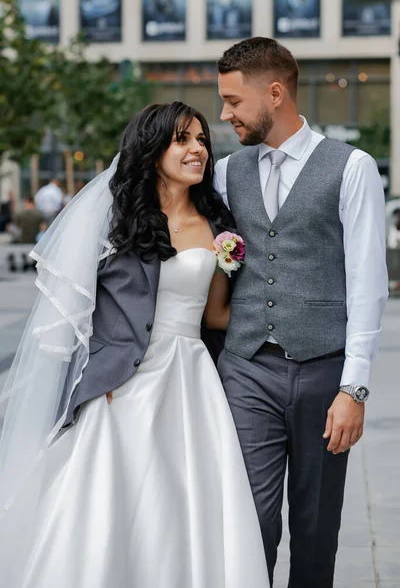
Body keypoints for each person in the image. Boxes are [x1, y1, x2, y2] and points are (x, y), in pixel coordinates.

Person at [0, 102, 269, 588]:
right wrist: (95, 371)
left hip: (192, 381)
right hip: (122, 386)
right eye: (182, 140)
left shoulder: (218, 226)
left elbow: (215, 317)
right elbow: (72, 317)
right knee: (119, 505)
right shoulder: (118, 222)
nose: (197, 150)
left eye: (202, 140)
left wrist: (281, 323)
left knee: (189, 502)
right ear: (153, 149)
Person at [213, 37, 388, 587]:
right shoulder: (225, 172)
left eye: (234, 102)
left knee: (315, 529)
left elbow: (368, 283)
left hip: (321, 372)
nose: (225, 114)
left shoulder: (352, 167)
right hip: (245, 369)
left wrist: (353, 388)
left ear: (275, 92)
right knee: (249, 523)